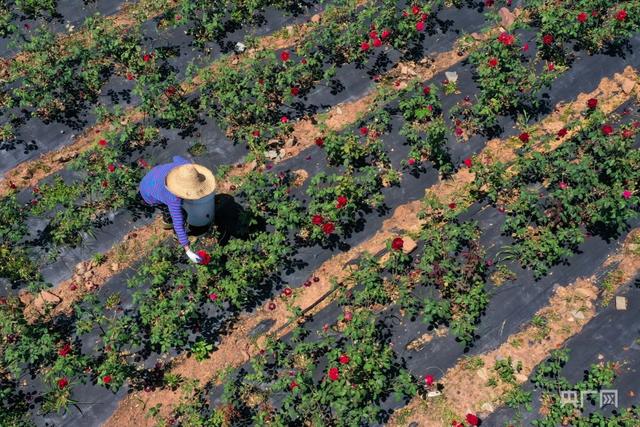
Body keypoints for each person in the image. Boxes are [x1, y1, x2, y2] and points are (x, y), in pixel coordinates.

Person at [139, 156, 216, 263]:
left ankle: (167, 220)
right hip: (148, 193)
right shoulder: (172, 198)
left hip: (153, 175)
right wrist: (187, 249)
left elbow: (176, 157)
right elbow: (178, 223)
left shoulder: (184, 168)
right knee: (179, 214)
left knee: (175, 209)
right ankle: (172, 230)